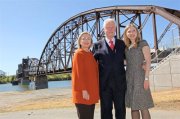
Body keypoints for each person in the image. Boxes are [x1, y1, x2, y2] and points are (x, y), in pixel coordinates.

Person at [92, 18, 126, 119]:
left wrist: (142, 63)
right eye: (108, 27)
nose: (110, 29)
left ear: (115, 28)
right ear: (104, 29)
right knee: (106, 111)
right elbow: (91, 64)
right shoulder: (97, 45)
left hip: (120, 84)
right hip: (104, 85)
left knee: (120, 110)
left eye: (112, 27)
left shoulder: (122, 44)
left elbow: (130, 58)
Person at [123, 23, 154, 119]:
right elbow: (126, 61)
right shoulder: (126, 47)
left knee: (143, 106)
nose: (131, 33)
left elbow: (148, 61)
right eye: (129, 31)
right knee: (134, 107)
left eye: (133, 31)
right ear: (126, 34)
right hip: (129, 78)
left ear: (137, 32)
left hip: (140, 78)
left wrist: (146, 78)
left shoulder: (142, 43)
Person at [72, 31, 99, 119]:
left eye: (88, 38)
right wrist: (83, 90)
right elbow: (78, 74)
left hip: (91, 92)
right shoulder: (78, 54)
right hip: (83, 93)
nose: (86, 40)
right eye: (83, 38)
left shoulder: (91, 54)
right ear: (80, 42)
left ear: (91, 42)